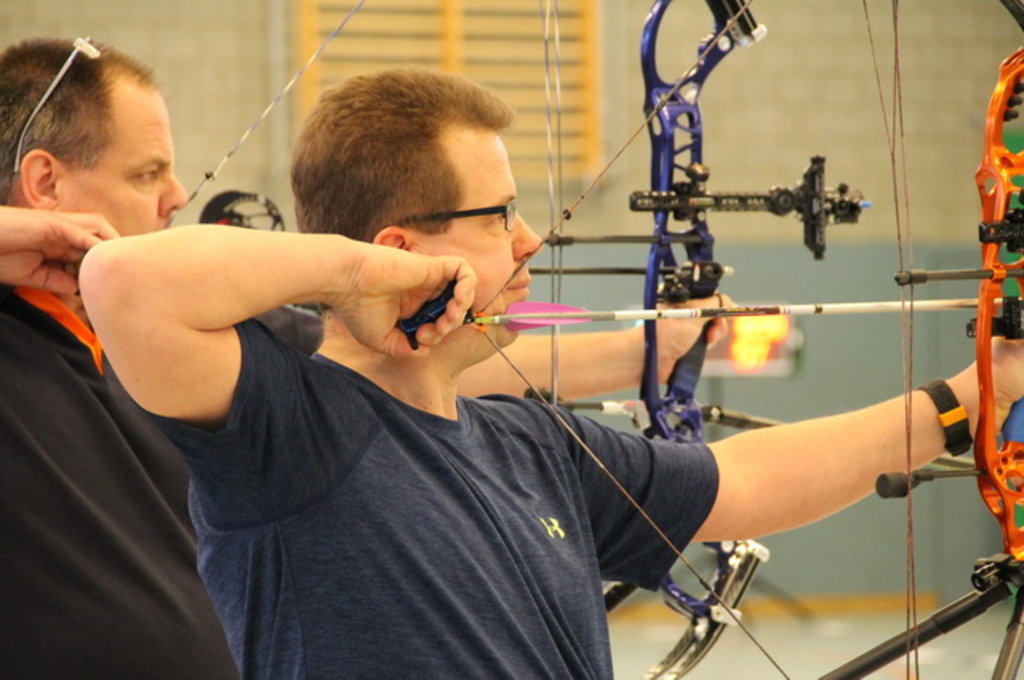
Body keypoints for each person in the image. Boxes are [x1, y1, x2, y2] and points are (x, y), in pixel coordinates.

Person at [79, 67, 1024, 679]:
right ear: (402, 252)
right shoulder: (289, 429)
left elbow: (744, 480)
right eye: (498, 216)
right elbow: (123, 280)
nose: (530, 241)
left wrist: (978, 391)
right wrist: (365, 277)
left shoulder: (532, 440)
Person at [0, 37, 721, 678]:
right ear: (45, 183)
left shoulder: (220, 345)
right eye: (146, 174)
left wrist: (644, 352)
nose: (177, 195)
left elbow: (420, 362)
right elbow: (128, 279)